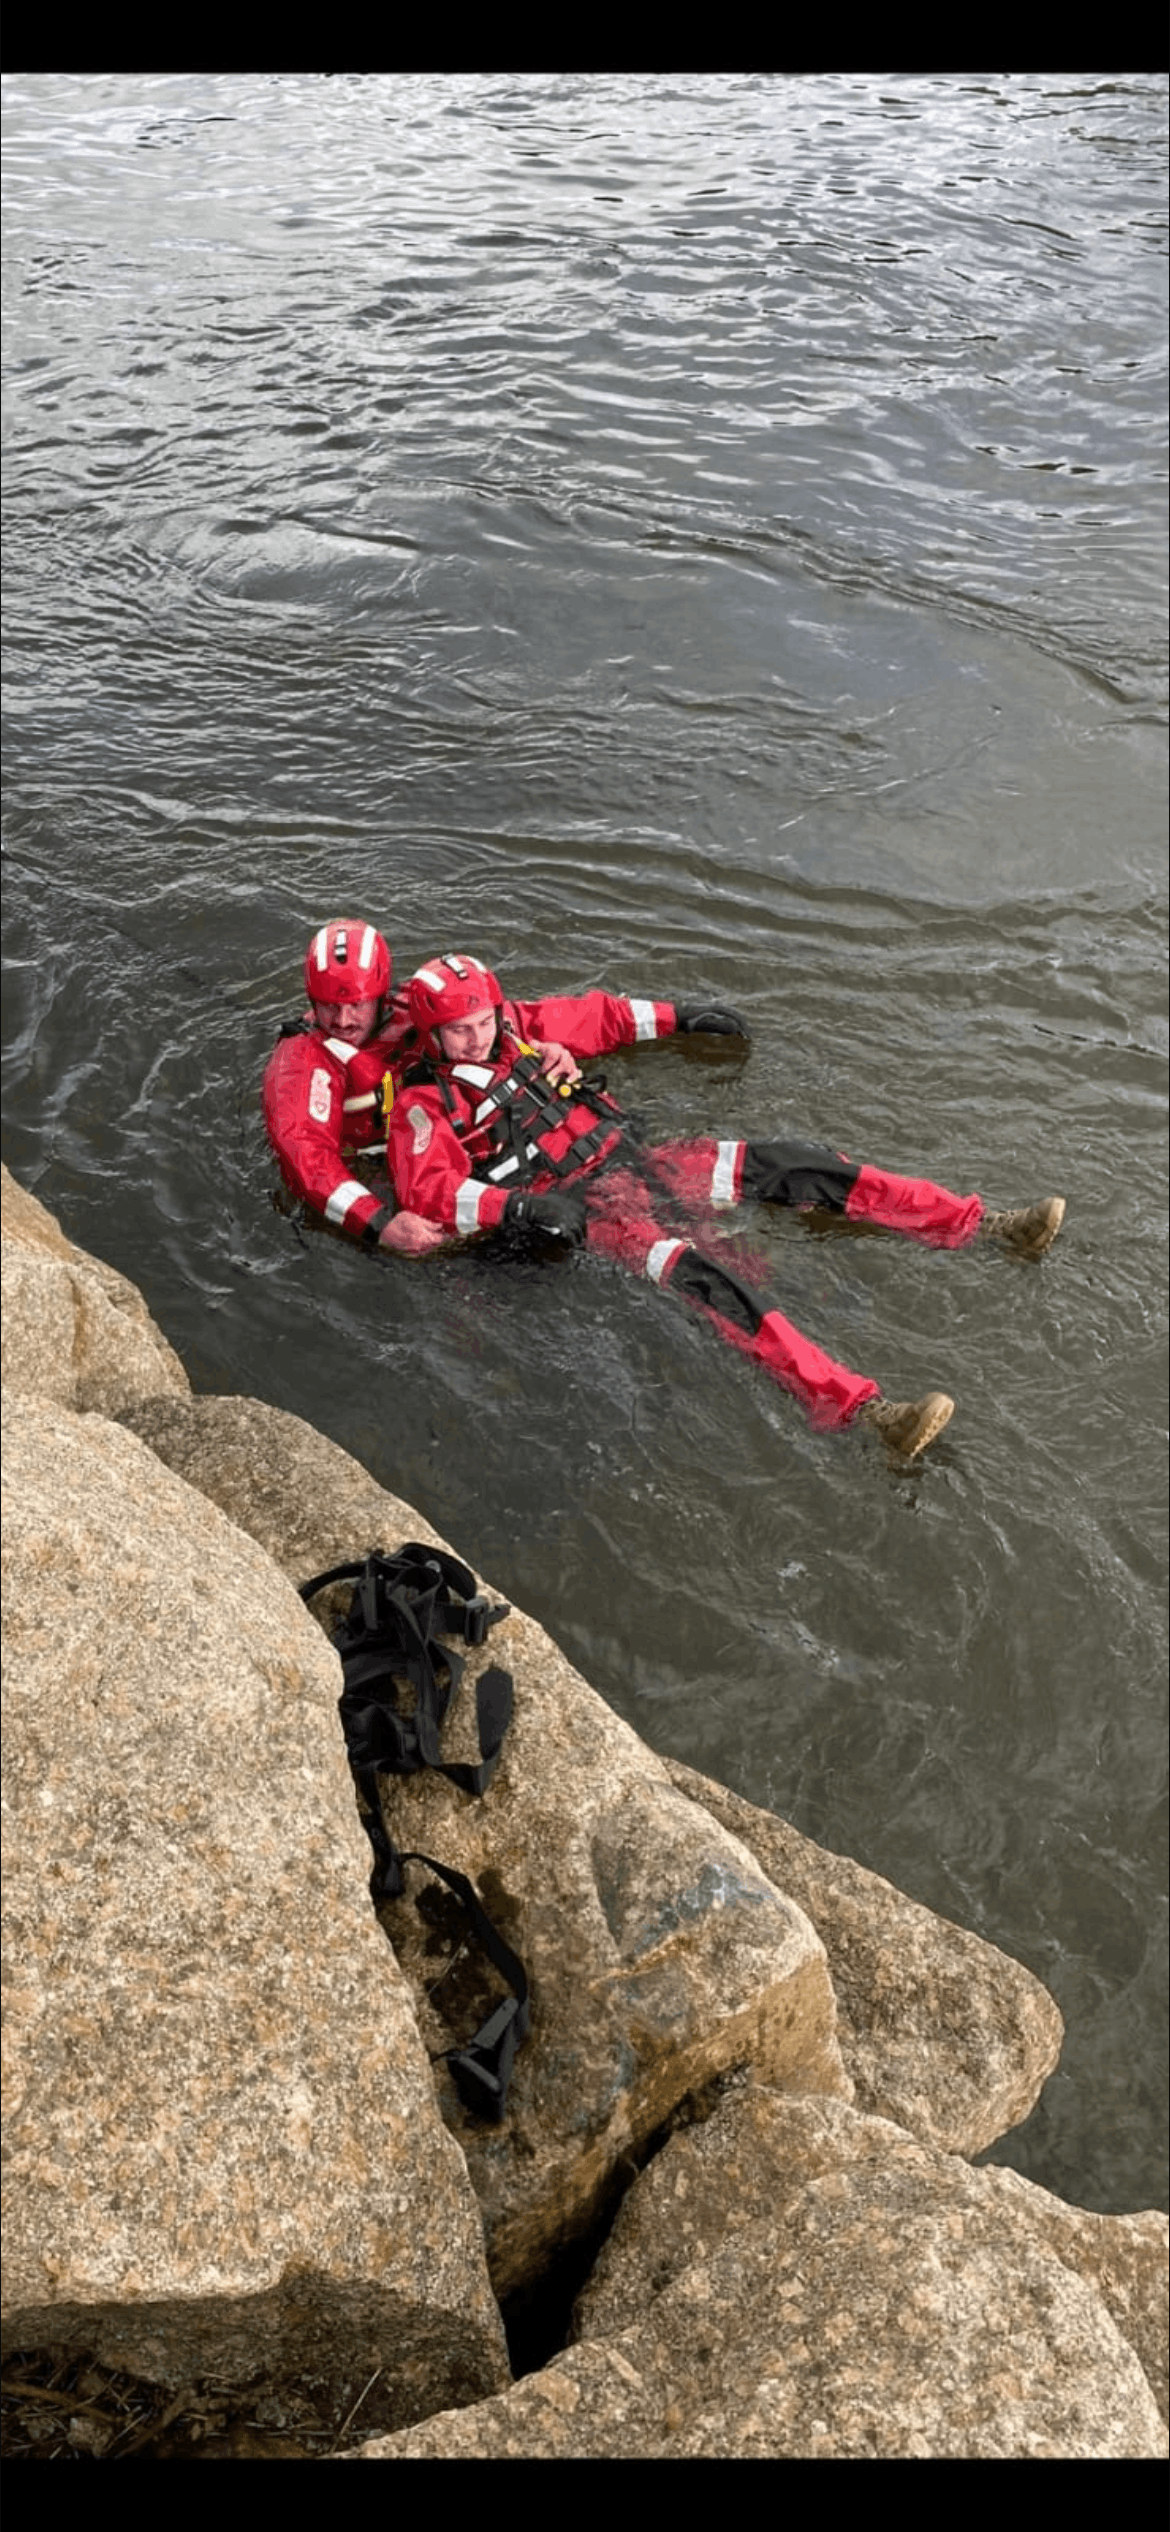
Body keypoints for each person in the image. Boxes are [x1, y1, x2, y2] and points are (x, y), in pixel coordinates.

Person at [385, 951, 1067, 1460]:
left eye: (481, 1022)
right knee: (717, 1282)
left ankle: (979, 1226)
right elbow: (431, 1191)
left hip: (645, 1162)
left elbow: (603, 1017)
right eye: (459, 1032)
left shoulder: (521, 1028)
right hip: (593, 1215)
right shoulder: (421, 1103)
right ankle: (865, 1412)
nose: (476, 1039)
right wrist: (517, 1212)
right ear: (432, 1034)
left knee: (796, 1162)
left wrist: (681, 1017)